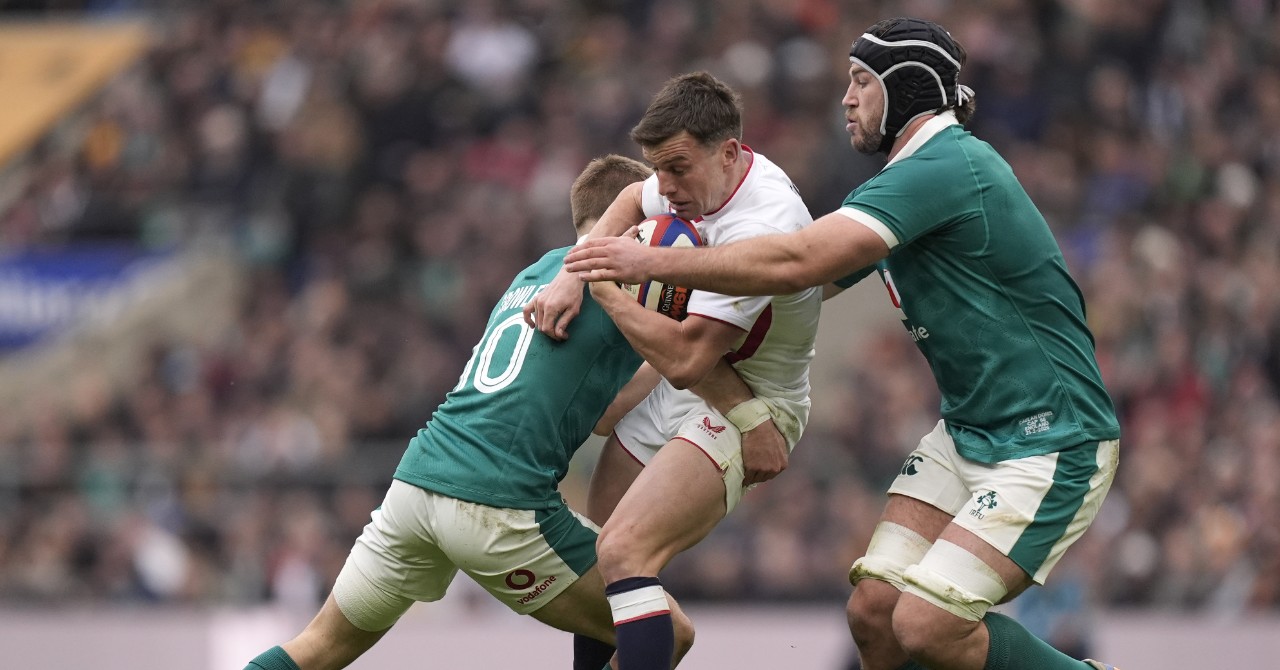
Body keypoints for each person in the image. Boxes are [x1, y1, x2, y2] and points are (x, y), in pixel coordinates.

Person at [563, 18, 1123, 670]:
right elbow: (801, 287)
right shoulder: (901, 185)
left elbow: (797, 263)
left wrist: (648, 265)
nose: (846, 99)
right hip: (967, 432)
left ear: (906, 88)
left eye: (861, 81)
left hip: (1050, 437)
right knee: (873, 616)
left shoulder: (947, 166)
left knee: (927, 625)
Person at [243, 154, 782, 670]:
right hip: (497, 505)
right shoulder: (624, 272)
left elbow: (598, 407)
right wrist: (745, 408)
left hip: (417, 482)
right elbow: (676, 365)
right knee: (666, 632)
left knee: (316, 648)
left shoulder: (535, 272)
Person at [525, 71, 822, 670]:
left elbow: (688, 360)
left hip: (753, 405)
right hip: (689, 385)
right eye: (658, 168)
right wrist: (570, 275)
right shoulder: (693, 179)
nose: (664, 186)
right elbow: (630, 199)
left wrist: (604, 288)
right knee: (596, 553)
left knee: (625, 551)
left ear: (729, 153)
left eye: (676, 169)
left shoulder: (761, 227)